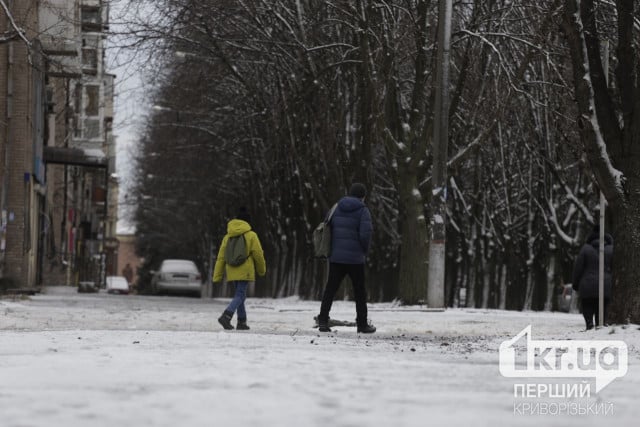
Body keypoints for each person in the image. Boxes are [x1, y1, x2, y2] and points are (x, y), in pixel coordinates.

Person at [317, 183, 376, 333]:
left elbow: (326, 225)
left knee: (330, 289)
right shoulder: (363, 211)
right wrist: (364, 250)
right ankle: (362, 324)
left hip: (336, 257)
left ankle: (323, 320)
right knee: (359, 292)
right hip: (355, 259)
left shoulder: (336, 207)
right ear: (363, 196)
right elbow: (365, 234)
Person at [213, 207, 266, 330]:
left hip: (231, 269)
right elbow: (258, 254)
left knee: (239, 294)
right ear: (248, 222)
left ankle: (241, 322)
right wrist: (261, 269)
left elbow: (221, 257)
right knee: (240, 295)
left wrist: (217, 275)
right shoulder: (251, 235)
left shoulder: (228, 236)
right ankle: (226, 315)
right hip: (245, 269)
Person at [571, 224, 614, 330]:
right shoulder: (611, 249)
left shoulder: (585, 249)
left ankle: (589, 324)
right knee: (602, 306)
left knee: (587, 306)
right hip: (606, 284)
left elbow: (578, 267)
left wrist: (575, 283)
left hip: (587, 285)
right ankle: (601, 324)